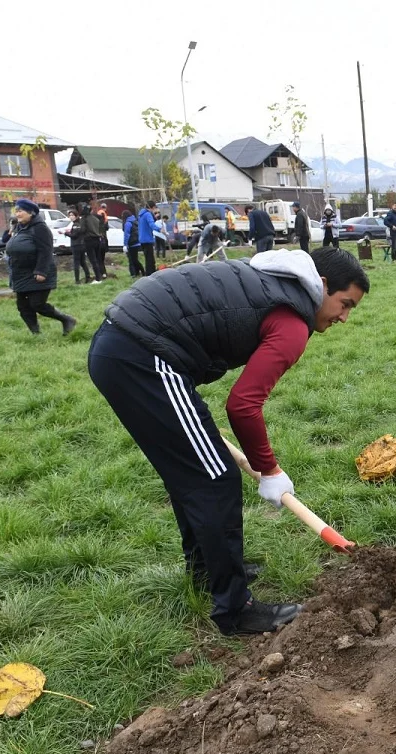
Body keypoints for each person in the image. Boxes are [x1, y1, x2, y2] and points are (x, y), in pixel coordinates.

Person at [88, 248, 370, 635]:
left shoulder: (273, 283)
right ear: (321, 285)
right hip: (143, 356)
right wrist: (269, 469)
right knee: (214, 478)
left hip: (122, 347)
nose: (344, 317)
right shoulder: (292, 322)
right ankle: (236, 611)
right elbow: (242, 405)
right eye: (344, 304)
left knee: (194, 473)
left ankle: (209, 571)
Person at [7, 198, 77, 336]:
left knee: (37, 304)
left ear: (31, 213)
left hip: (38, 272)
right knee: (23, 306)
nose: (18, 214)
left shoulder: (40, 228)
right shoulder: (20, 227)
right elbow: (7, 241)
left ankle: (67, 320)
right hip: (21, 273)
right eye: (16, 211)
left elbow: (46, 251)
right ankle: (36, 333)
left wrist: (41, 271)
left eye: (20, 211)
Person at [79, 203, 108, 283]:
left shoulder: (84, 219)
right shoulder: (96, 218)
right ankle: (101, 275)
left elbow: (83, 230)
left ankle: (98, 278)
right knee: (98, 259)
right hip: (97, 240)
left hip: (89, 240)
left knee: (93, 260)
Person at [64, 209, 92, 284]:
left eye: (72, 215)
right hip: (82, 245)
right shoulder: (80, 224)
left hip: (76, 245)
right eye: (70, 215)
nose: (71, 217)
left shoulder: (76, 225)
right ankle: (88, 277)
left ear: (76, 216)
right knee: (83, 262)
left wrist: (66, 233)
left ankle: (77, 280)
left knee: (76, 263)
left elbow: (74, 236)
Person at [138, 201, 159, 274]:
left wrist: (155, 218)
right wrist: (160, 229)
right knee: (150, 260)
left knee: (148, 258)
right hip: (147, 239)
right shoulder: (148, 214)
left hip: (142, 239)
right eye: (155, 208)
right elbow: (151, 225)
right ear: (152, 207)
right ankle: (150, 273)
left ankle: (150, 272)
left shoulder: (141, 214)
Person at [122, 211, 143, 277]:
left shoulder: (128, 223)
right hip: (137, 242)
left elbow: (127, 235)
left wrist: (125, 245)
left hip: (131, 243)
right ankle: (138, 272)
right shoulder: (135, 221)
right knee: (135, 259)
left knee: (131, 260)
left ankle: (134, 273)